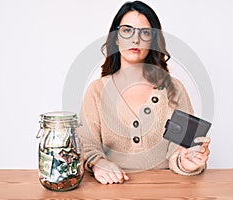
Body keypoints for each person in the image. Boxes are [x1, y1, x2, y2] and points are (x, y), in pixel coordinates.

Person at [78, 1, 211, 184]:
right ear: (116, 38)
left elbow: (180, 150)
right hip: (111, 190)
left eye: (145, 33)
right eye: (127, 30)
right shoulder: (97, 90)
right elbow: (86, 145)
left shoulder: (175, 89)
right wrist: (99, 163)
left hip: (167, 189)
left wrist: (186, 162)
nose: (136, 39)